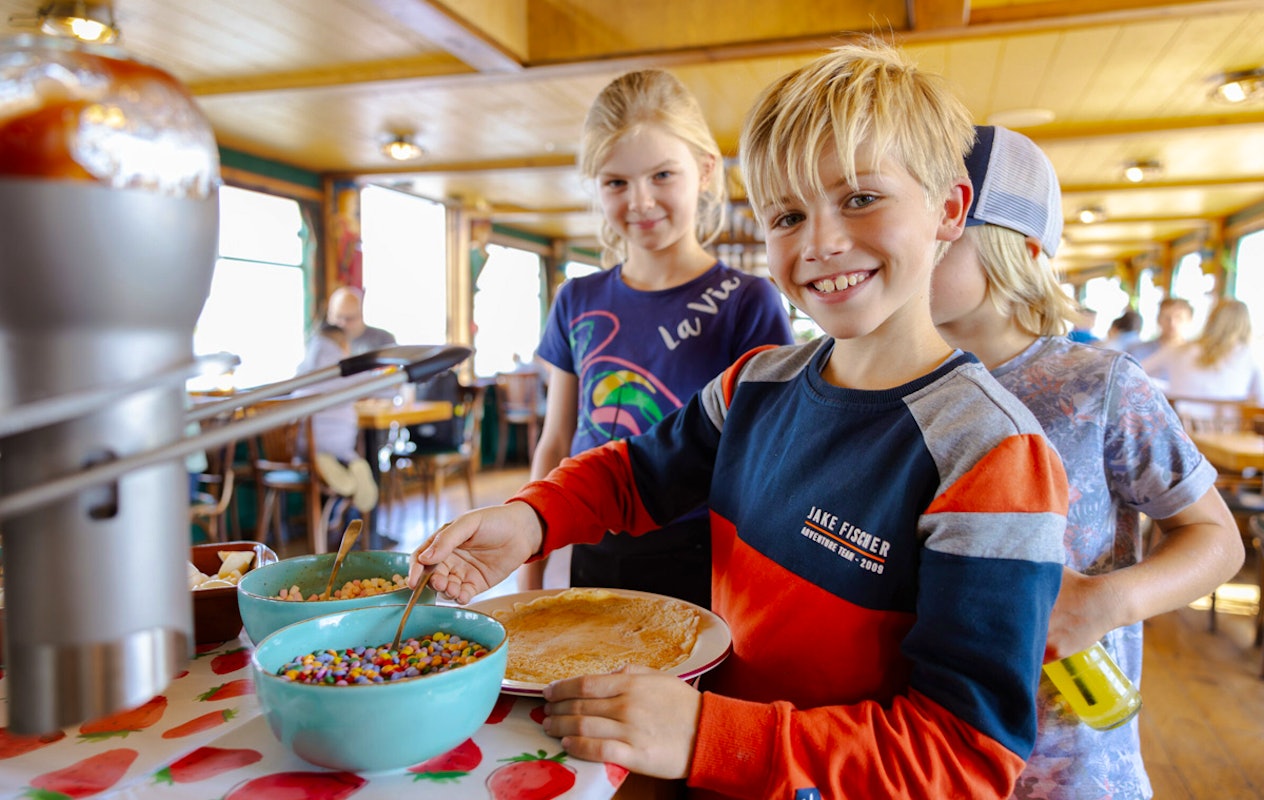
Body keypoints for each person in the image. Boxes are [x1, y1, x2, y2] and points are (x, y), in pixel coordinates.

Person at [412, 41, 1070, 798]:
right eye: (788, 214)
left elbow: (962, 757)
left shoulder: (990, 452)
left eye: (860, 198)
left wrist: (705, 733)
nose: (821, 242)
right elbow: (632, 474)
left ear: (950, 209)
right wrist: (531, 521)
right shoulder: (753, 385)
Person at [931, 124, 1244, 800]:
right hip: (925, 746)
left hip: (1069, 757)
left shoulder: (1097, 385)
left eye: (944, 225)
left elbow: (1217, 540)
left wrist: (1109, 602)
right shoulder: (892, 386)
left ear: (1022, 247)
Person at [517, 68, 794, 608]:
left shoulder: (747, 302)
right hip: (592, 539)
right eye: (616, 182)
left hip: (700, 548)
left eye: (663, 175)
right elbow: (555, 442)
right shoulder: (576, 299)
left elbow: (768, 457)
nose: (640, 202)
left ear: (706, 170)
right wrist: (531, 566)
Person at [296, 321, 378, 517]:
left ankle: (324, 461)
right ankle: (353, 463)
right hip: (338, 440)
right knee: (350, 450)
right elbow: (376, 386)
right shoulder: (342, 365)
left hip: (303, 443)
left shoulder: (305, 365)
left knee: (319, 449)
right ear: (342, 343)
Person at [1143, 298, 1264, 426]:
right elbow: (1261, 400)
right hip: (1227, 435)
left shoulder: (1177, 351)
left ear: (1210, 320)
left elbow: (1133, 373)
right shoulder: (1252, 354)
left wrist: (1168, 388)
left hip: (1178, 433)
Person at [326, 285, 396, 356]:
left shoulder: (383, 340)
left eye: (350, 318)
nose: (343, 324)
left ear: (361, 315)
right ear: (329, 315)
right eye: (338, 317)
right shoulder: (321, 343)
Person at [1127, 296, 1193, 363]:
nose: (1172, 323)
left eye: (1178, 317)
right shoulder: (1136, 352)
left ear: (1189, 320)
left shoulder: (1195, 355)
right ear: (1158, 319)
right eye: (1167, 318)